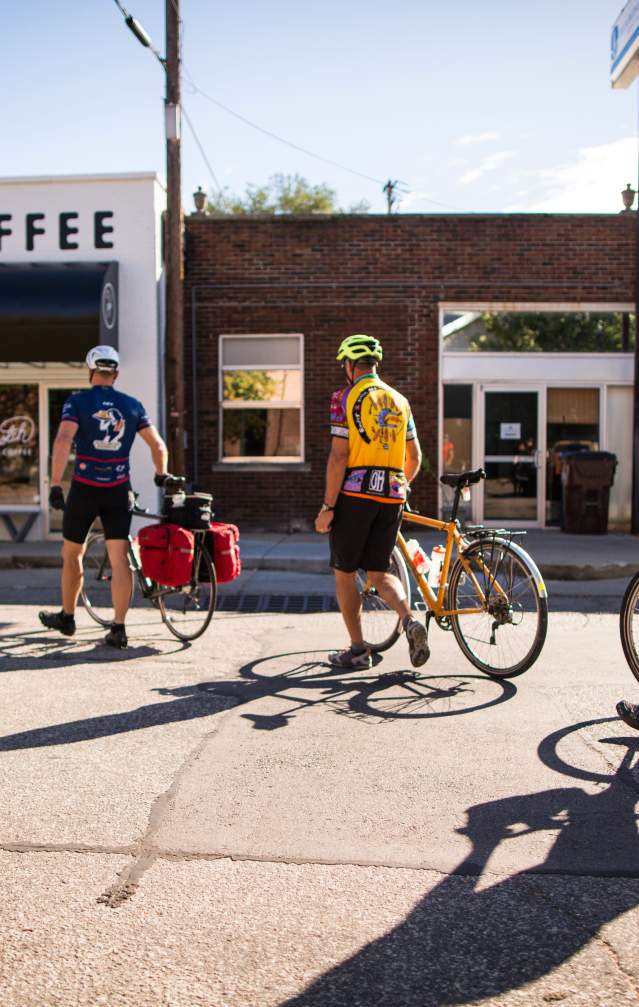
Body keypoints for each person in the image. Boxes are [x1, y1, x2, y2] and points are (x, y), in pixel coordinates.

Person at [39, 345, 170, 649]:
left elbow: (62, 440)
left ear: (90, 371)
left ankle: (68, 617)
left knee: (72, 554)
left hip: (84, 488)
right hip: (117, 490)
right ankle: (118, 628)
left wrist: (56, 484)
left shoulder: (77, 401)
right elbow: (158, 445)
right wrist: (161, 474)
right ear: (117, 373)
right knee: (119, 558)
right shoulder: (132, 405)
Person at [314, 333, 429, 670]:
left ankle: (357, 650)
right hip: (392, 495)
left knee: (345, 572)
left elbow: (338, 457)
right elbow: (416, 456)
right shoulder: (400, 400)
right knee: (378, 573)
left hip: (354, 497)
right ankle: (409, 619)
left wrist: (327, 507)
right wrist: (400, 485)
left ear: (350, 366)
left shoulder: (344, 398)